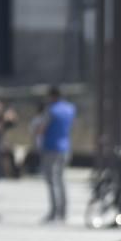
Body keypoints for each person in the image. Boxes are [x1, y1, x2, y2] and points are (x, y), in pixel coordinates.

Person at [40, 87, 76, 223]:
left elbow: (41, 129)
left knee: (52, 181)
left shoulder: (51, 110)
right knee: (61, 180)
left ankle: (54, 212)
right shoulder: (70, 109)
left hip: (51, 147)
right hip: (65, 146)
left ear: (52, 96)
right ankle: (63, 211)